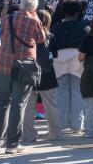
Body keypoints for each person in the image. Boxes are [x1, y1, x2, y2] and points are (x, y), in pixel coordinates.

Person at [0, 0, 47, 155]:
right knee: (18, 104)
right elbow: (42, 39)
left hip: (3, 64)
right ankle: (12, 144)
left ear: (21, 6)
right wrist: (35, 17)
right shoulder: (35, 21)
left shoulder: (8, 19)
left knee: (1, 102)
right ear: (34, 8)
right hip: (24, 66)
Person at [21, 8, 63, 145]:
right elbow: (55, 55)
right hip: (47, 72)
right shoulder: (50, 36)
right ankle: (55, 133)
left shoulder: (27, 35)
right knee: (51, 104)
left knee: (28, 106)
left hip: (30, 71)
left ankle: (28, 135)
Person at [49, 0, 87, 134]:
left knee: (61, 94)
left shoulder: (55, 28)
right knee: (78, 93)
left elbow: (51, 46)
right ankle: (77, 125)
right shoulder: (84, 26)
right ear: (78, 12)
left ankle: (61, 124)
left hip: (59, 60)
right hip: (78, 59)